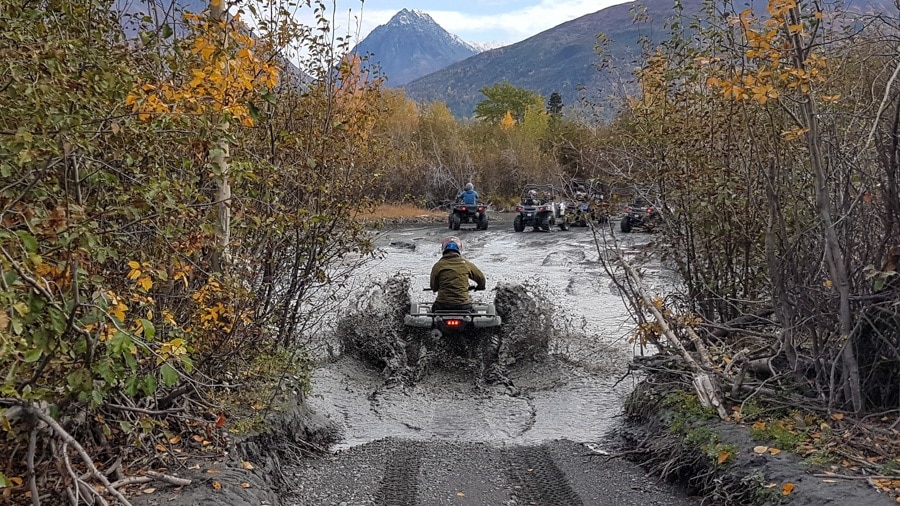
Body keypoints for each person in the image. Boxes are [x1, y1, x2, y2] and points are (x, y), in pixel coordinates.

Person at [430, 236, 485, 312]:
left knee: (432, 313)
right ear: (459, 250)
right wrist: (480, 287)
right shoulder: (466, 264)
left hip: (442, 305)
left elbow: (433, 286)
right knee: (473, 315)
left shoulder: (438, 265)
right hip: (463, 306)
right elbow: (481, 279)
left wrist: (437, 287)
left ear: (444, 250)